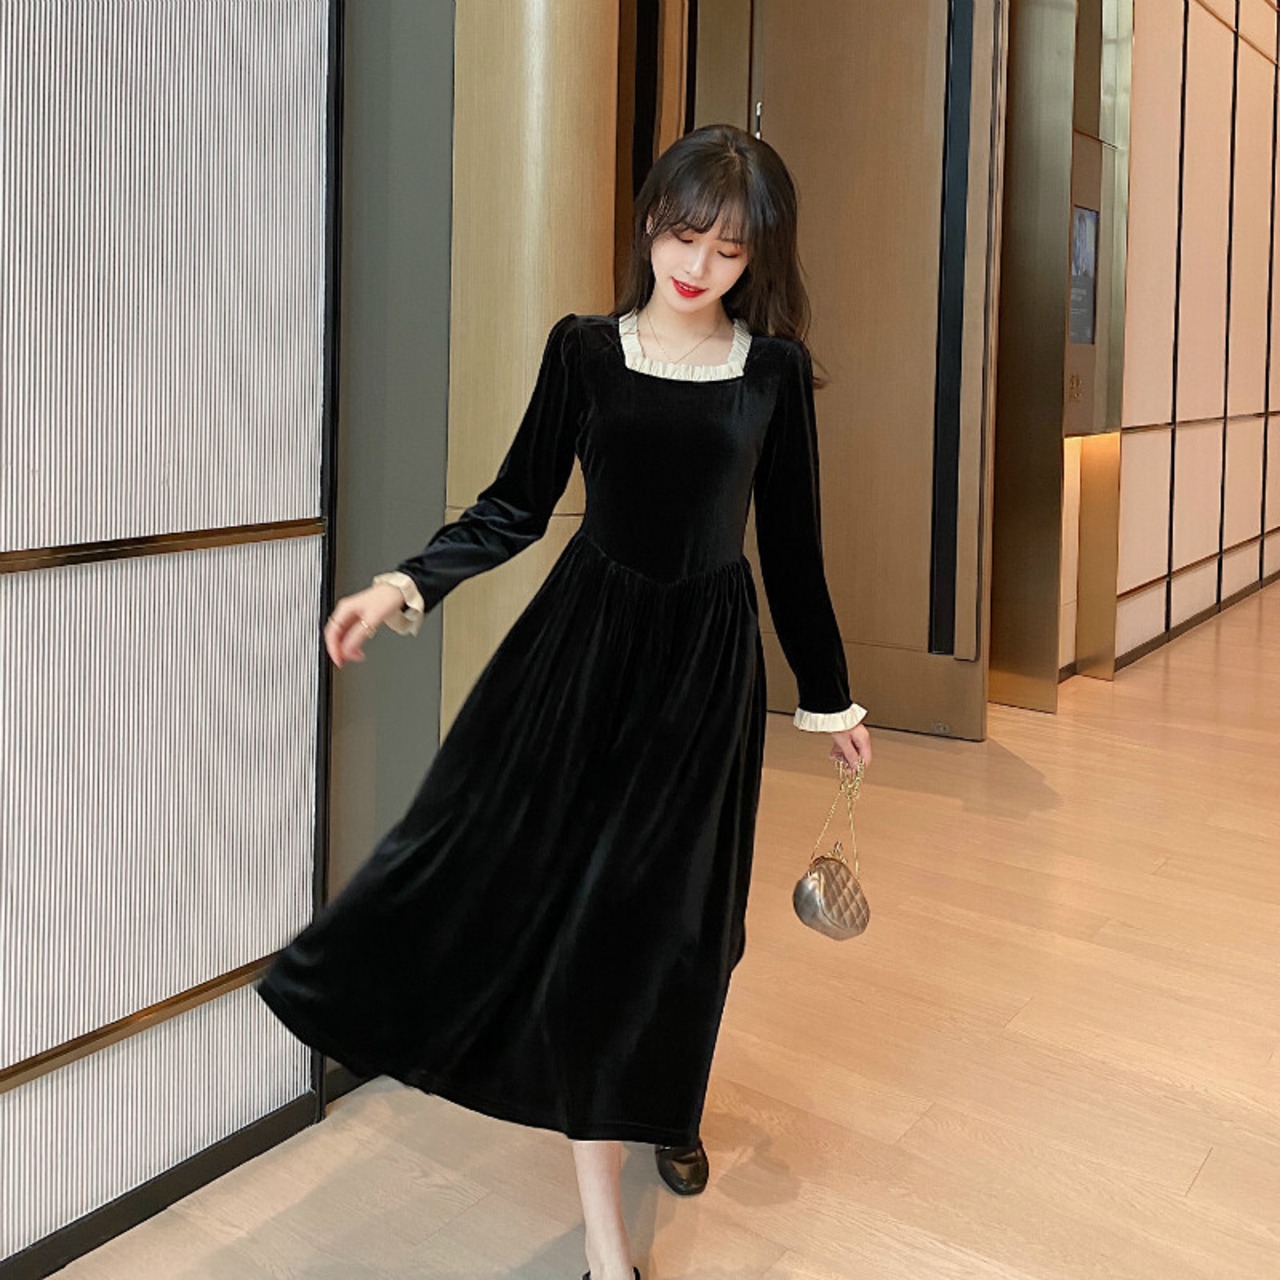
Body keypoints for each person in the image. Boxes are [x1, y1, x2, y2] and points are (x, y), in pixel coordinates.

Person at [257, 123, 871, 1280]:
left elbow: (793, 553)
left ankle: (666, 1100)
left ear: (756, 258)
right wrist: (403, 584)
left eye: (727, 251)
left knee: (693, 928)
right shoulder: (584, 350)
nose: (695, 265)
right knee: (586, 928)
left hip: (705, 671)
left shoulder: (772, 373)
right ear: (648, 222)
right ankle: (605, 1246)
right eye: (681, 235)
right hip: (582, 656)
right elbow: (515, 503)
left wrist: (830, 702)